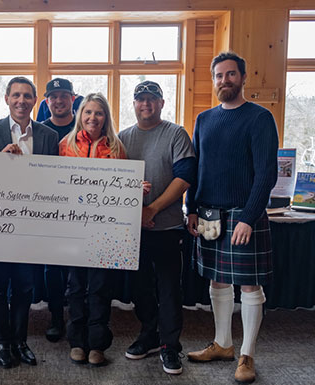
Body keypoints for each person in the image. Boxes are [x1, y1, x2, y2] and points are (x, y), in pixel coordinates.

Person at [185, 52, 278, 384]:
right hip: (209, 212)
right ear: (213, 80)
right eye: (219, 76)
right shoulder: (204, 120)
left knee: (250, 284)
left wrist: (249, 218)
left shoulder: (259, 118)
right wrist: (191, 208)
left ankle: (247, 354)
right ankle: (223, 344)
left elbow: (266, 174)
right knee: (217, 280)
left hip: (242, 213)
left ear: (243, 77)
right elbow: (196, 171)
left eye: (230, 74)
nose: (225, 80)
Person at [0, 76, 59, 368]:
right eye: (16, 96)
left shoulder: (48, 136)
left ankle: (20, 342)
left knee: (24, 288)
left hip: (30, 227)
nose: (21, 101)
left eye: (27, 96)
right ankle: (2, 344)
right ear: (6, 99)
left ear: (36, 101)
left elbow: (54, 181)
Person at [119, 81, 196, 375]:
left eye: (152, 99)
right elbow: (114, 180)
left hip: (167, 227)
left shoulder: (175, 134)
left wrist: (152, 209)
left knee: (168, 289)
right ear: (134, 104)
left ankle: (170, 346)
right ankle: (149, 335)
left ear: (162, 103)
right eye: (140, 100)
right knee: (140, 289)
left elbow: (185, 177)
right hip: (133, 229)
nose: (146, 104)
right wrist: (138, 212)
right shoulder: (123, 137)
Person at [58, 93, 125, 367]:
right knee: (75, 287)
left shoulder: (117, 147)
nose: (92, 118)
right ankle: (77, 341)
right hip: (73, 227)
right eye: (87, 113)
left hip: (105, 230)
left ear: (106, 117)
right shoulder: (66, 144)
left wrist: (135, 188)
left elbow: (123, 186)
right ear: (79, 115)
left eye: (98, 113)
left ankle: (97, 344)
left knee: (99, 287)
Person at [40, 77, 76, 343]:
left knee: (78, 269)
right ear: (47, 101)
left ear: (73, 98)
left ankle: (78, 319)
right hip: (49, 211)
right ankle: (55, 317)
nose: (59, 100)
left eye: (64, 95)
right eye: (54, 97)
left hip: (83, 211)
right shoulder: (40, 132)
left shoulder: (87, 125)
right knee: (52, 269)